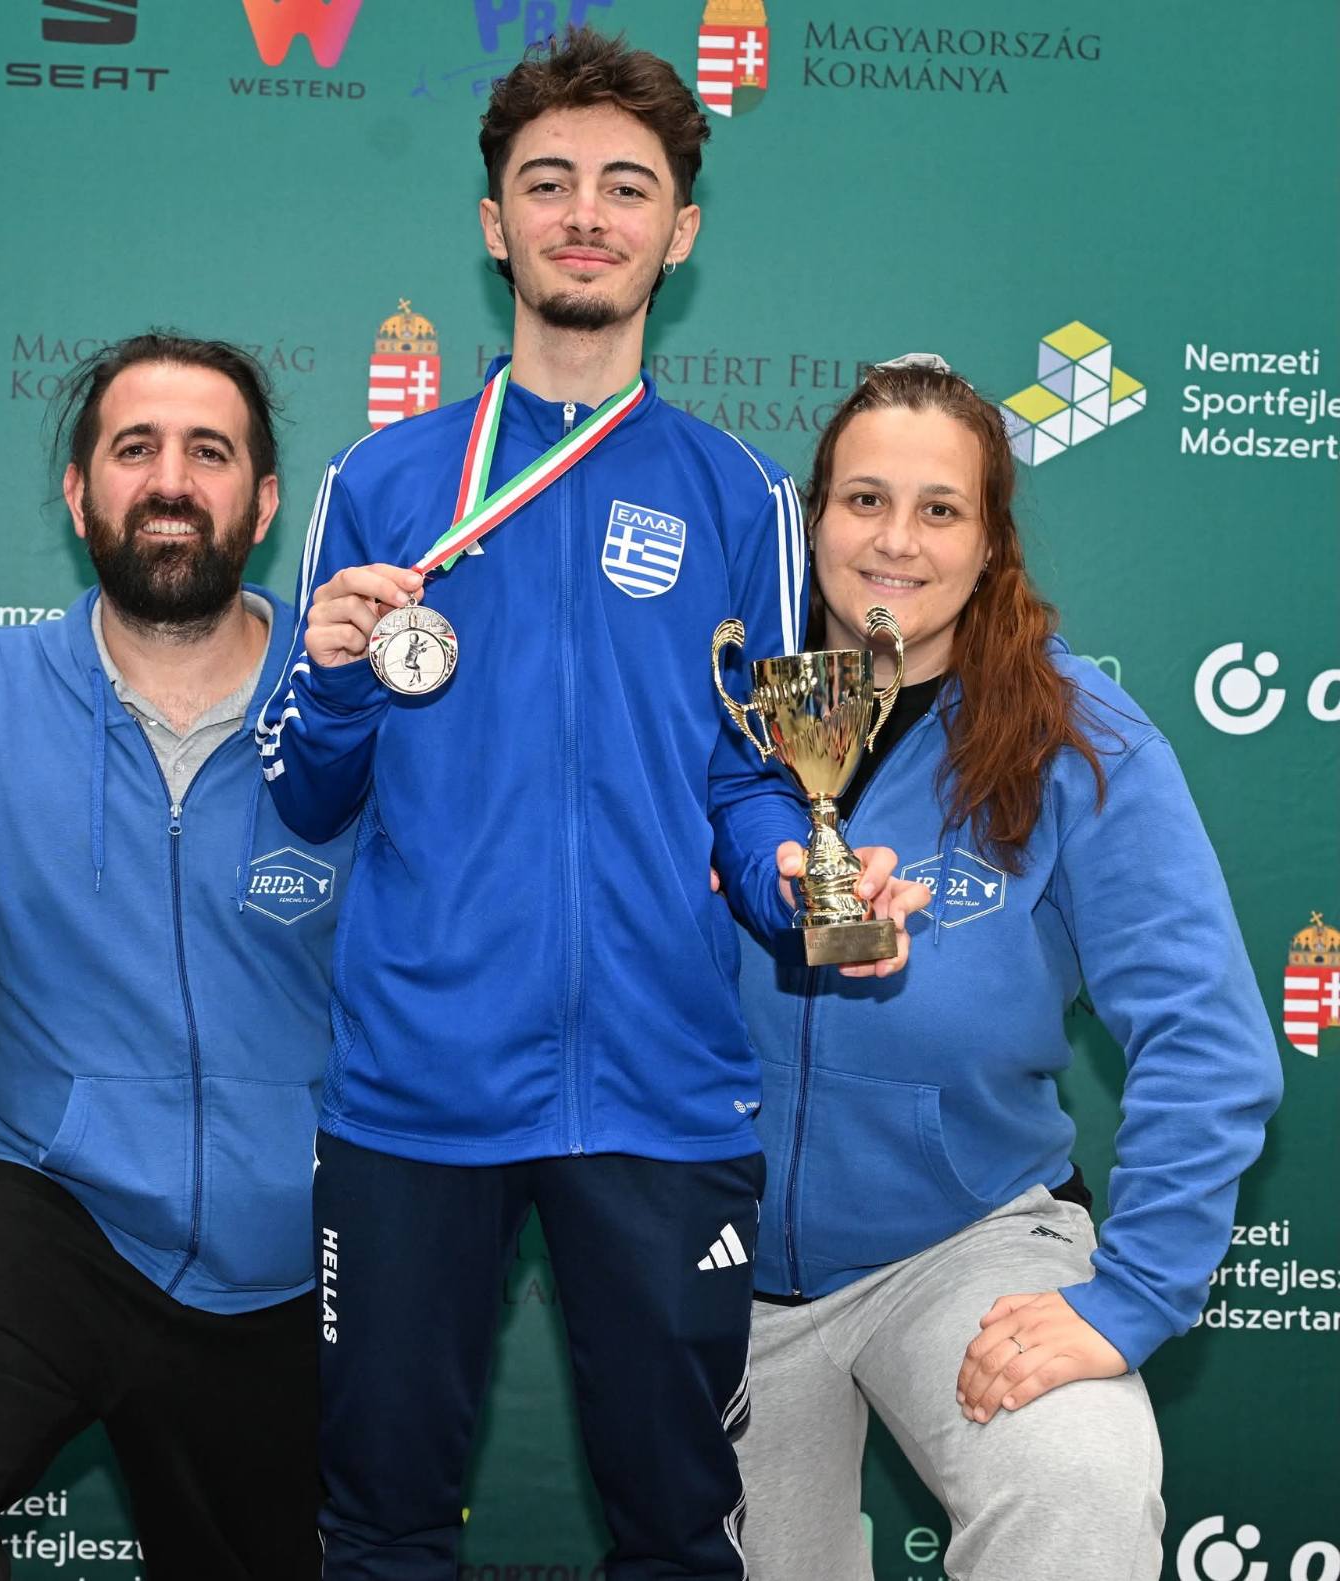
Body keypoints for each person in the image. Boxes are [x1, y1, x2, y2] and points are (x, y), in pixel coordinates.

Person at [258, 29, 926, 1581]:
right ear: (494, 221)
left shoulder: (742, 498)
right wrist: (339, 680)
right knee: (379, 1528)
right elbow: (302, 793)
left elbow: (751, 776)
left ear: (677, 234)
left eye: (627, 188)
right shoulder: (382, 482)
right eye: (547, 181)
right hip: (416, 1092)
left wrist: (805, 886)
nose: (585, 214)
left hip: (659, 1091)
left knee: (680, 1536)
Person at [0, 334, 348, 1580]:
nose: (170, 480)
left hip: (305, 1252)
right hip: (53, 1218)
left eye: (210, 452)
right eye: (134, 448)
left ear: (263, 504)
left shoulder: (349, 707)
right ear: (79, 492)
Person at [731, 354, 1283, 1581]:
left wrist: (1128, 1300)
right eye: (864, 500)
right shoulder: (724, 713)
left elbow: (1206, 1039)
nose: (896, 540)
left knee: (1076, 1480)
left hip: (961, 1239)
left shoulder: (1072, 736)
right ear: (812, 519)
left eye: (940, 509)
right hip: (713, 1257)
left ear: (989, 546)